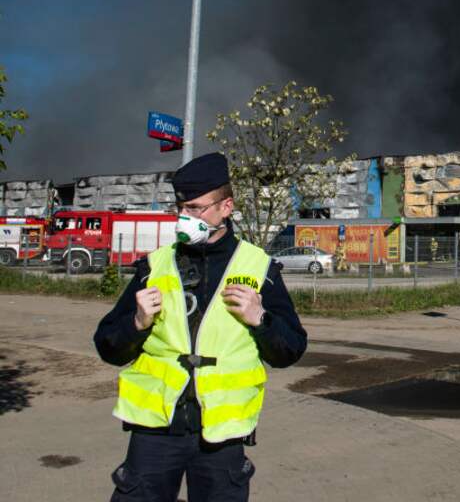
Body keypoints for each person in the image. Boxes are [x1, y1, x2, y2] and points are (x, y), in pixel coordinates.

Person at [94, 152, 307, 501]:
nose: (185, 217)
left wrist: (261, 320)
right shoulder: (155, 266)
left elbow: (291, 350)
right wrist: (136, 323)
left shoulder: (259, 267)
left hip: (222, 439)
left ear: (227, 207)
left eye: (196, 209)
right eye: (181, 208)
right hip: (156, 432)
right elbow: (107, 346)